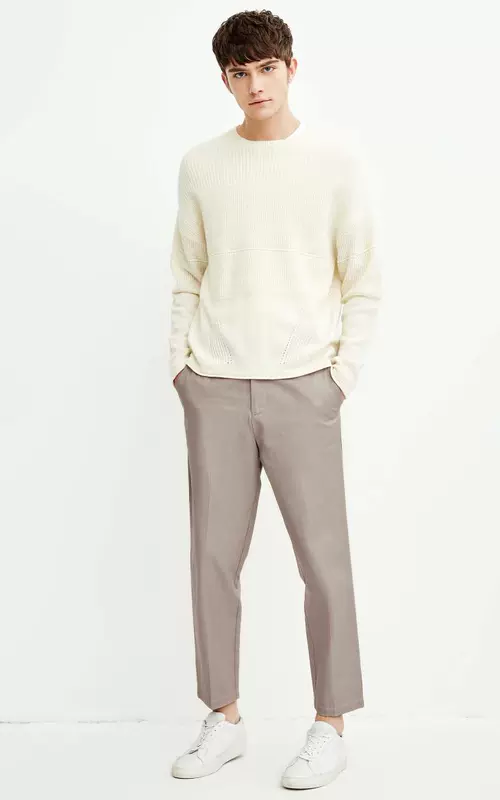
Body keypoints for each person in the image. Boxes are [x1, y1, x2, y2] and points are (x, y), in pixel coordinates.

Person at [168, 9, 382, 790]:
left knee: (324, 563)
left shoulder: (333, 163)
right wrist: (182, 368)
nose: (255, 84)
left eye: (266, 67)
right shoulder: (202, 165)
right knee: (212, 560)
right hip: (216, 386)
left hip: (303, 386)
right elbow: (186, 272)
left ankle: (331, 725)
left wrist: (338, 378)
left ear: (292, 68)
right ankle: (224, 718)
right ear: (224, 80)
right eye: (239, 72)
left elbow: (362, 281)